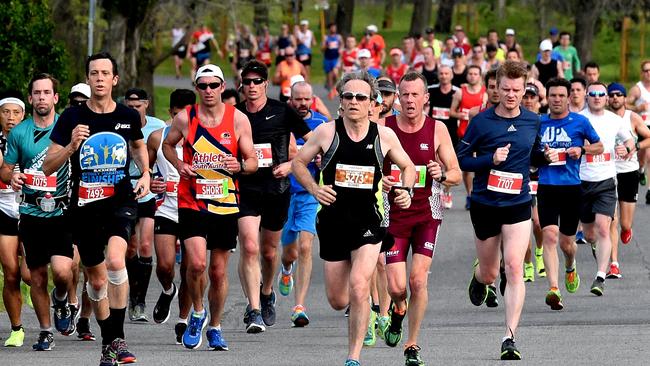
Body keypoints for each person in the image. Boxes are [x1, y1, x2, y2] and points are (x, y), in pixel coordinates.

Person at [292, 70, 416, 366]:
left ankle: (353, 356)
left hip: (369, 221)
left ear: (372, 102)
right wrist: (313, 188)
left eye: (361, 97)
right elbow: (298, 162)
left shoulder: (383, 136)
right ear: (341, 101)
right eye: (349, 96)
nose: (354, 101)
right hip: (333, 221)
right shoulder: (327, 132)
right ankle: (363, 310)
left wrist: (405, 189)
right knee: (338, 299)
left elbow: (408, 166)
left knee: (360, 285)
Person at [44, 52, 148, 365]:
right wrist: (71, 147)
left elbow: (139, 146)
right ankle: (109, 342)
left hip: (120, 201)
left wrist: (144, 173)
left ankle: (118, 339)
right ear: (88, 79)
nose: (99, 78)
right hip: (84, 206)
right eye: (94, 73)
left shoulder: (128, 116)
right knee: (98, 281)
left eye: (105, 73)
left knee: (117, 261)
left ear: (115, 79)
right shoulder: (71, 117)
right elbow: (49, 164)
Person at [458, 61, 557, 360]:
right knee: (490, 273)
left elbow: (534, 153)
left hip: (517, 203)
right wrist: (490, 159)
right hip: (486, 204)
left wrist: (545, 157)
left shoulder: (533, 120)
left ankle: (509, 336)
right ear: (496, 89)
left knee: (514, 267)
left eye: (517, 90)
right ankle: (479, 279)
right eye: (506, 89)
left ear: (524, 88)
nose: (512, 95)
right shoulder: (481, 122)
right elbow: (462, 160)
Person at [163, 64, 258, 350]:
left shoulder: (238, 119)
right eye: (202, 86)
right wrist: (179, 165)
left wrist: (239, 166)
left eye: (213, 85)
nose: (208, 91)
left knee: (217, 271)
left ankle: (215, 326)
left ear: (222, 86)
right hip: (191, 198)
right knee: (196, 263)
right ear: (196, 88)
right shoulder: (185, 117)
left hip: (226, 201)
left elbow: (253, 161)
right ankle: (198, 312)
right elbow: (168, 146)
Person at [381, 72, 461, 366]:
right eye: (405, 95)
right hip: (394, 214)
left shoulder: (437, 129)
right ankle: (398, 309)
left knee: (418, 280)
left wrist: (443, 174)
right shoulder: (385, 127)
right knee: (396, 287)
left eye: (416, 95)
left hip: (427, 213)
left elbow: (455, 172)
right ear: (398, 98)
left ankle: (412, 344)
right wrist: (383, 181)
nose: (410, 101)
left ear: (426, 98)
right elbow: (370, 165)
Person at [235, 60, 312, 333]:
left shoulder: (282, 111)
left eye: (258, 81)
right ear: (241, 85)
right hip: (245, 188)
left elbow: (313, 142)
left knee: (268, 252)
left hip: (276, 189)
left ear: (267, 84)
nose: (252, 86)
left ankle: (267, 291)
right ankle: (254, 308)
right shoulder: (234, 114)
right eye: (248, 82)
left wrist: (292, 165)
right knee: (249, 246)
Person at [1, 73, 75, 350]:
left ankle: (61, 298)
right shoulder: (19, 133)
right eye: (37, 93)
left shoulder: (67, 127)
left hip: (62, 211)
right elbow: (6, 170)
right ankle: (45, 331)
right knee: (37, 276)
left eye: (47, 93)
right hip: (31, 213)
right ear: (30, 98)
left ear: (56, 98)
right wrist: (12, 177)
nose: (42, 97)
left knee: (63, 271)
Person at [537, 78, 602, 310]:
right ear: (548, 97)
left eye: (561, 96)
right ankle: (554, 289)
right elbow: (531, 152)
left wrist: (581, 149)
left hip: (572, 187)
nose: (556, 99)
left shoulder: (579, 122)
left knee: (567, 243)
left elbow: (599, 146)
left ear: (568, 98)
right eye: (552, 95)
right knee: (550, 237)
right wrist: (540, 156)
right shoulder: (539, 122)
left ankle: (570, 264)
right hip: (546, 187)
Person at [277, 81, 328, 327]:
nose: (302, 103)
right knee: (290, 252)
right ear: (291, 99)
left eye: (306, 99)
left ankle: (300, 306)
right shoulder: (281, 121)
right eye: (298, 99)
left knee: (306, 246)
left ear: (312, 99)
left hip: (309, 193)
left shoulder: (320, 125)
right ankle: (286, 270)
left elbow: (329, 158)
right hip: (284, 192)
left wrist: (321, 163)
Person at [147, 88, 196, 343]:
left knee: (189, 266)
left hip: (193, 208)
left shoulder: (202, 138)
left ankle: (184, 318)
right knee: (165, 265)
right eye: (177, 116)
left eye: (186, 117)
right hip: (166, 208)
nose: (181, 123)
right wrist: (152, 181)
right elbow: (146, 169)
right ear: (170, 113)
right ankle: (168, 290)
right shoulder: (157, 137)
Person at [579, 81, 635, 297]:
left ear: (605, 97)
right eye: (592, 93)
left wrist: (627, 148)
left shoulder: (614, 120)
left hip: (606, 181)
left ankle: (600, 276)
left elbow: (630, 140)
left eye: (600, 94)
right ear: (586, 96)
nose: (596, 97)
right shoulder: (578, 119)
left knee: (605, 227)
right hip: (582, 180)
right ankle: (595, 246)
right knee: (590, 234)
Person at [122, 88, 166, 323]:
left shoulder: (157, 127)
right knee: (131, 248)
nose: (133, 110)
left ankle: (140, 301)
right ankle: (131, 297)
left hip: (147, 191)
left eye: (137, 106)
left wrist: (159, 179)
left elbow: (166, 156)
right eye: (129, 106)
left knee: (146, 245)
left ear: (146, 105)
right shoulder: (118, 122)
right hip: (123, 190)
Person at [607, 82, 650, 278]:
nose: (615, 98)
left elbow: (649, 137)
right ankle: (614, 264)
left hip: (629, 172)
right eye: (612, 95)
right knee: (611, 220)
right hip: (607, 173)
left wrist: (635, 147)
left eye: (619, 95)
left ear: (625, 98)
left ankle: (627, 230)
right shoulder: (602, 119)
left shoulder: (632, 118)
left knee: (624, 224)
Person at [66, 83, 96, 341]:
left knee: (91, 266)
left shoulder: (99, 131)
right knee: (71, 263)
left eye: (82, 102)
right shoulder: (62, 129)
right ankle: (69, 299)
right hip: (65, 204)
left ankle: (85, 318)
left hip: (94, 205)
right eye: (74, 102)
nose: (78, 107)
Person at [0, 95, 27, 347]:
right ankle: (16, 328)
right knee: (11, 273)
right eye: (5, 113)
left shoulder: (33, 139)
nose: (10, 118)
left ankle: (60, 298)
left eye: (15, 113)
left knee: (30, 275)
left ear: (23, 116)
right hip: (3, 209)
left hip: (31, 209)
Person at [450, 65, 487, 210]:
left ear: (480, 76)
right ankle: (469, 194)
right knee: (466, 168)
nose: (472, 76)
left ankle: (478, 193)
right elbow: (451, 112)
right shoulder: (460, 92)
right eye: (470, 73)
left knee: (480, 165)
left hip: (480, 136)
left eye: (475, 74)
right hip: (464, 134)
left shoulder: (485, 93)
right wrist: (461, 115)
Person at [520, 83, 546, 283]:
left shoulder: (544, 122)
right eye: (526, 97)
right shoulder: (516, 120)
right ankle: (527, 263)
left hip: (540, 178)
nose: (529, 101)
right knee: (524, 227)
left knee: (538, 223)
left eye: (532, 97)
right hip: (520, 178)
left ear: (539, 100)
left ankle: (539, 251)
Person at [626, 60, 650, 193]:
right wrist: (637, 108)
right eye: (646, 70)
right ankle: (641, 170)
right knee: (644, 156)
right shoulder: (637, 89)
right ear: (642, 73)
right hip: (643, 126)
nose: (649, 73)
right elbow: (624, 104)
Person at [322, 23, 343, 90]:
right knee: (329, 74)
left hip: (336, 58)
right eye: (332, 27)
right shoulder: (326, 37)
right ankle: (331, 89)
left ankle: (334, 86)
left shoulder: (338, 37)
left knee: (335, 74)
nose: (333, 29)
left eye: (335, 27)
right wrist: (326, 46)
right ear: (330, 28)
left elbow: (342, 45)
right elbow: (322, 49)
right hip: (328, 58)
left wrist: (340, 49)